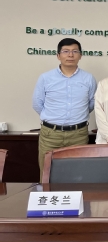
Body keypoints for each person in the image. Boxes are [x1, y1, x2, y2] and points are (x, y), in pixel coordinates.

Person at [32, 37, 97, 177]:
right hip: (50, 135)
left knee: (77, 175)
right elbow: (37, 104)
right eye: (66, 51)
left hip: (78, 135)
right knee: (47, 174)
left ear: (80, 55)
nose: (70, 55)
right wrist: (52, 119)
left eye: (75, 51)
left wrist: (77, 116)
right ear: (58, 55)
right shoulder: (45, 78)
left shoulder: (88, 78)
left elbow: (92, 103)